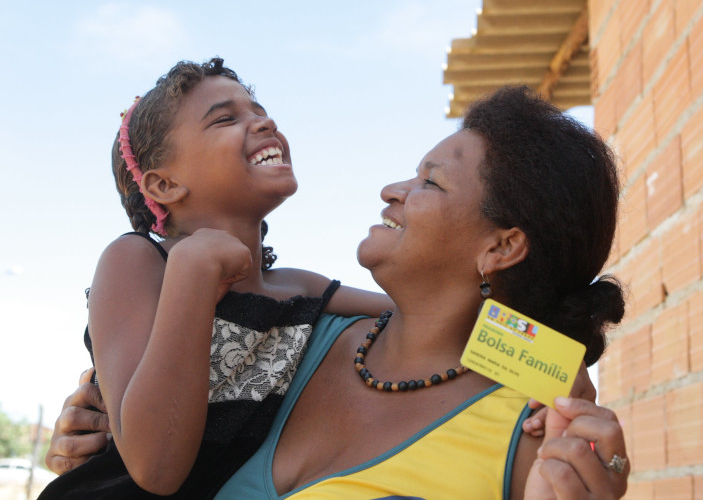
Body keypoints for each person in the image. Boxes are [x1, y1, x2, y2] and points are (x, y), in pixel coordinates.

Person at [46, 85, 630, 499]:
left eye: (429, 181)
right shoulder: (297, 339)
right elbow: (154, 437)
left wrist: (553, 365)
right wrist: (105, 428)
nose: (391, 189)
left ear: (501, 248)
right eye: (223, 118)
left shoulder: (526, 436)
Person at [38, 58, 392, 499]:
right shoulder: (139, 260)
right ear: (163, 185)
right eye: (226, 118)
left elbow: (427, 315)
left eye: (259, 110)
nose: (265, 122)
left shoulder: (300, 287)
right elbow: (154, 467)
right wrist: (193, 273)